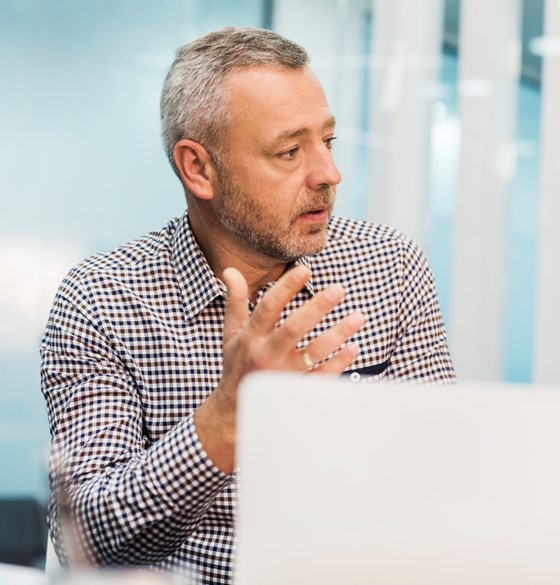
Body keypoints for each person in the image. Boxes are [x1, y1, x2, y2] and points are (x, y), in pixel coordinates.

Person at [40, 26, 456, 585]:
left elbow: (446, 470)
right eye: (289, 151)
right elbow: (86, 543)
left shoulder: (388, 265)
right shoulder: (102, 299)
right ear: (199, 169)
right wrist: (224, 423)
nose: (328, 174)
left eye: (327, 142)